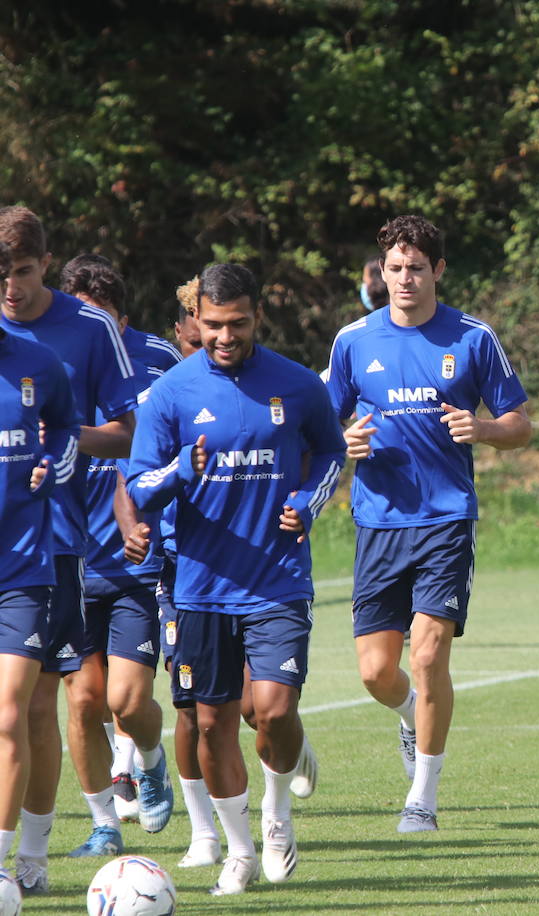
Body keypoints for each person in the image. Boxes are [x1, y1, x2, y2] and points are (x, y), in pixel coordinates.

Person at [126, 263, 346, 894]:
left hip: (277, 579)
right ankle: (239, 849)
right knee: (213, 724)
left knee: (273, 712)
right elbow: (138, 485)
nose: (225, 336)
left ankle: (276, 818)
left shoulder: (298, 384)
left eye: (238, 324)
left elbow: (329, 452)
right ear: (196, 318)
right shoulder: (171, 393)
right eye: (214, 325)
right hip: (200, 587)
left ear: (256, 317)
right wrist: (177, 475)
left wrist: (307, 501)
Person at [324, 215, 531, 834]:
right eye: (395, 268)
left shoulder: (472, 337)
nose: (405, 278)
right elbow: (320, 430)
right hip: (378, 523)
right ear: (380, 272)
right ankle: (413, 717)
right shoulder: (353, 341)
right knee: (374, 672)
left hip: (445, 519)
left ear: (437, 271)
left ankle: (424, 797)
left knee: (429, 650)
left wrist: (486, 429)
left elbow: (519, 422)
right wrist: (345, 442)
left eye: (417, 268)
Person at [0, 207, 140, 895]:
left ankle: (29, 859)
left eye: (22, 274)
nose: (11, 290)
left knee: (34, 708)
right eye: (1, 277)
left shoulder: (85, 332)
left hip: (50, 546)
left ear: (44, 265)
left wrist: (61, 451)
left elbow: (127, 430)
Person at [55, 254, 179, 857]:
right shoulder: (50, 363)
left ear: (121, 322)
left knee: (127, 701)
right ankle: (103, 821)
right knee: (83, 698)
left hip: (138, 565)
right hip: (69, 561)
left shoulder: (160, 362)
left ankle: (152, 761)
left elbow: (179, 450)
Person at [0, 240, 81, 877]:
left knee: (17, 713)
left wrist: (54, 464)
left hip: (25, 568)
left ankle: (16, 860)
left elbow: (68, 431)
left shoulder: (39, 364)